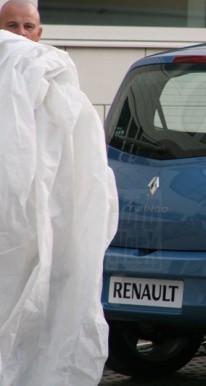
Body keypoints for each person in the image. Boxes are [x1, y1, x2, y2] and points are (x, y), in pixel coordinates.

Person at [0, 30, 118, 385]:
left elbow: (91, 190)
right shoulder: (61, 101)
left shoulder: (66, 102)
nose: (20, 33)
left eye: (27, 25)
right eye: (11, 24)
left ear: (40, 31)